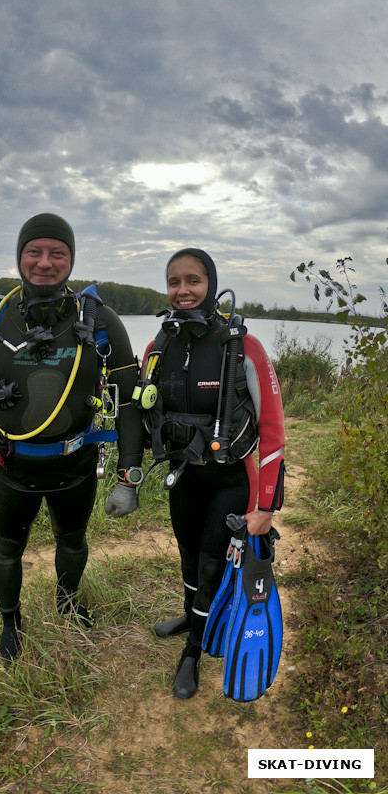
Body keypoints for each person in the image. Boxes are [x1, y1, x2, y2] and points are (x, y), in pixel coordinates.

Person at [0, 213, 144, 660]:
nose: (45, 263)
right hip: (11, 468)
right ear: (19, 256)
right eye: (34, 251)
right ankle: (10, 621)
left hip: (76, 465)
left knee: (73, 540)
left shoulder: (100, 320)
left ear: (71, 260)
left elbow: (128, 401)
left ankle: (68, 604)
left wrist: (129, 478)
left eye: (58, 253)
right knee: (7, 549)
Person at [139, 248, 285, 699]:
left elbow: (273, 432)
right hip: (184, 478)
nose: (182, 291)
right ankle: (191, 613)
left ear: (211, 284)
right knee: (187, 555)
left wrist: (264, 506)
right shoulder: (158, 346)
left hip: (228, 480)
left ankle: (194, 652)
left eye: (193, 281)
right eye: (174, 282)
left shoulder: (243, 346)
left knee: (210, 561)